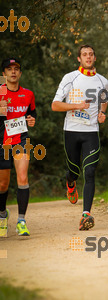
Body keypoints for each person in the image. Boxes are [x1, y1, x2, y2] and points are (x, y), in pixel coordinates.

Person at [52, 45, 108, 230]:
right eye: (84, 54)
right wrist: (76, 106)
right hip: (72, 130)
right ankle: (70, 182)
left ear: (95, 57)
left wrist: (101, 114)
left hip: (91, 132)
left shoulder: (103, 81)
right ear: (79, 59)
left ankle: (86, 214)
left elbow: (104, 100)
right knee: (74, 171)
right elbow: (55, 106)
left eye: (91, 54)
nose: (88, 57)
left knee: (90, 171)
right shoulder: (70, 78)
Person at [0, 58, 36, 236]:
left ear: (20, 73)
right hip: (2, 142)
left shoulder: (28, 94)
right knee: (2, 184)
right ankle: (2, 215)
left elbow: (32, 113)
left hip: (21, 141)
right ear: (4, 74)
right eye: (9, 69)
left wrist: (32, 120)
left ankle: (21, 220)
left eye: (16, 69)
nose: (13, 72)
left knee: (22, 177)